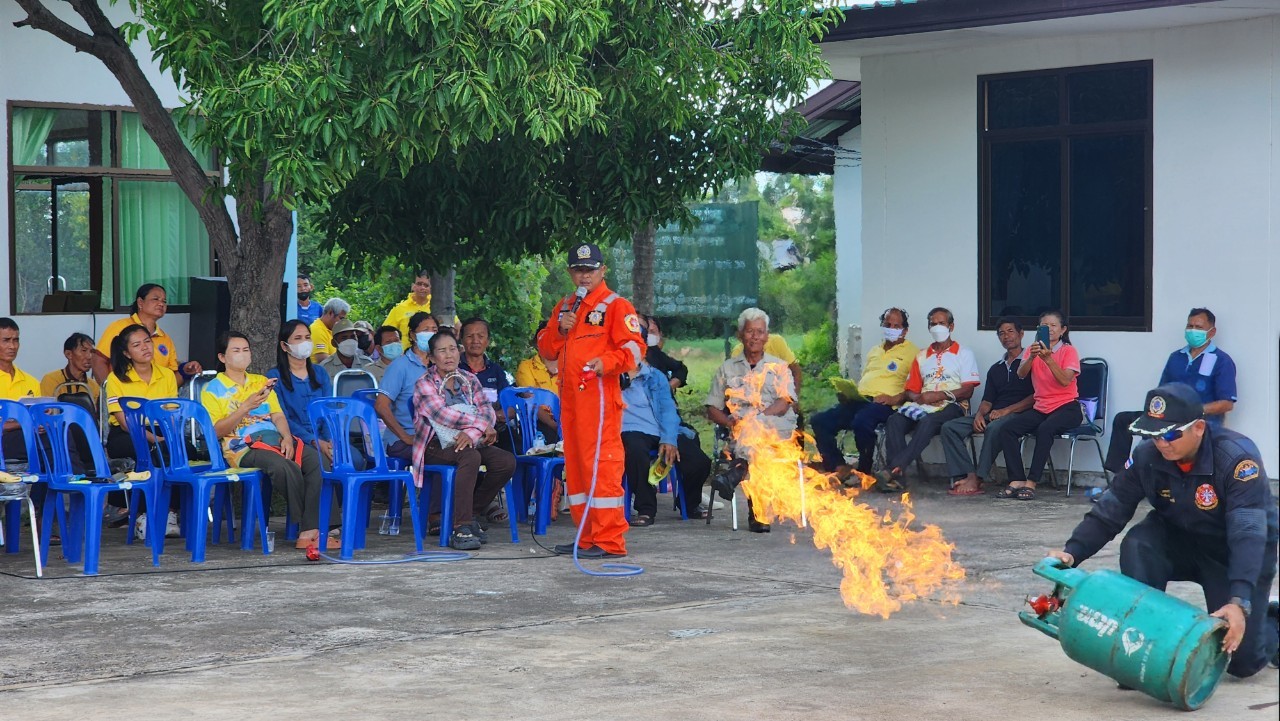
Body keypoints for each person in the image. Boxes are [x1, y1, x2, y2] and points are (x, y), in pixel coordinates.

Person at [1048, 383, 1277, 680]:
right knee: (1139, 542)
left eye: (1170, 434)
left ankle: (1272, 621)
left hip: (1232, 553)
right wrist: (1071, 553)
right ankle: (1141, 641)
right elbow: (1111, 509)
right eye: (1154, 434)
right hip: (1180, 541)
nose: (1162, 444)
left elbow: (1248, 534)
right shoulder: (1146, 457)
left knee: (1240, 662)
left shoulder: (1236, 458)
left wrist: (1239, 601)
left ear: (1198, 428)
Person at [537, 242, 645, 558]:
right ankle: (586, 538)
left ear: (602, 271)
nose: (585, 276)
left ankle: (609, 541)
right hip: (569, 402)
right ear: (571, 272)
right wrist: (559, 328)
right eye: (579, 270)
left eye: (591, 269)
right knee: (579, 470)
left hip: (599, 400)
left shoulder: (616, 306)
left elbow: (636, 349)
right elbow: (546, 349)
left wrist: (606, 363)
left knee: (602, 467)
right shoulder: (566, 305)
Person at [202, 331, 335, 551]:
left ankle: (309, 532)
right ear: (222, 357)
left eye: (246, 350)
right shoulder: (212, 389)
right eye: (236, 350)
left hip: (275, 439)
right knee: (282, 466)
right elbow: (216, 431)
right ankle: (313, 528)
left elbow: (278, 415)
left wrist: (287, 439)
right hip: (243, 447)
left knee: (318, 462)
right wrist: (245, 407)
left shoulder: (260, 381)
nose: (243, 355)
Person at [410, 331, 517, 550]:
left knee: (505, 462)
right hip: (434, 445)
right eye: (441, 351)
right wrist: (479, 426)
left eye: (452, 349)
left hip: (470, 440)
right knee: (470, 456)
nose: (448, 355)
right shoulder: (424, 383)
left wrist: (474, 433)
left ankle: (471, 512)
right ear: (431, 357)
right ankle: (461, 527)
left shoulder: (469, 379)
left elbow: (487, 410)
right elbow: (441, 414)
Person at [1104, 308, 1238, 474]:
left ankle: (1141, 477)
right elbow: (1161, 391)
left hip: (1197, 420)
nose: (1193, 331)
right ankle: (1118, 477)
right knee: (1124, 419)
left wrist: (1195, 409)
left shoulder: (1222, 361)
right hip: (1167, 417)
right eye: (1190, 326)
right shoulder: (1176, 357)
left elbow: (1227, 404)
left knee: (1156, 434)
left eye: (1198, 327)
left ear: (1212, 332)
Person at [705, 308, 797, 533]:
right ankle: (758, 513)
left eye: (759, 332)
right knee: (756, 448)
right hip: (741, 431)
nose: (754, 337)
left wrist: (758, 419)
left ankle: (735, 473)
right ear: (740, 335)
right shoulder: (727, 368)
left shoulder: (780, 367)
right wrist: (730, 423)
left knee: (755, 430)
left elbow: (784, 402)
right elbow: (711, 407)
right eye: (749, 332)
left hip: (777, 426)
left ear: (767, 336)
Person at [874, 307, 981, 493]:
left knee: (928, 421)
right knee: (895, 420)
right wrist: (919, 398)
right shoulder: (922, 356)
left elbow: (968, 390)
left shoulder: (964, 353)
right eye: (933, 324)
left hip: (953, 405)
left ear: (951, 326)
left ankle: (894, 468)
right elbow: (911, 390)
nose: (937, 327)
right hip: (923, 405)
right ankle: (898, 479)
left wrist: (940, 395)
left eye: (941, 323)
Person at [811, 307, 917, 480]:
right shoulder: (875, 350)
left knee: (862, 421)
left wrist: (894, 398)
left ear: (905, 331)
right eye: (887, 324)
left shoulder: (913, 353)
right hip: (860, 400)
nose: (891, 328)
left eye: (896, 326)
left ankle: (864, 471)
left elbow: (915, 388)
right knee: (819, 421)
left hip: (885, 405)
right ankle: (839, 466)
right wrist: (848, 394)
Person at [622, 328, 712, 526]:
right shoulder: (611, 376)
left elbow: (668, 411)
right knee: (635, 450)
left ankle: (688, 503)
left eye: (634, 342)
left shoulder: (655, 377)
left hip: (661, 429)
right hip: (630, 430)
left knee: (700, 462)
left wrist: (669, 438)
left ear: (643, 347)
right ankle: (646, 509)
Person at [939, 317, 1035, 495]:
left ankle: (979, 478)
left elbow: (1035, 398)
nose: (1006, 336)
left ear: (1021, 334)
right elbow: (987, 400)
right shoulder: (996, 368)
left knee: (995, 428)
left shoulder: (1032, 363)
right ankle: (967, 473)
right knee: (949, 427)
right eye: (1001, 333)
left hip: (1020, 414)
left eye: (1010, 331)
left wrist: (1006, 411)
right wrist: (978, 415)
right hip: (993, 413)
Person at [102, 323, 181, 538]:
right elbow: (125, 421)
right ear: (127, 353)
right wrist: (155, 439)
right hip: (128, 433)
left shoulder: (167, 375)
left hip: (161, 430)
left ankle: (171, 512)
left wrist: (167, 437)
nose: (145, 347)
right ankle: (143, 515)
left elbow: (172, 414)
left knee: (185, 452)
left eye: (147, 341)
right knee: (151, 452)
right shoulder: (117, 379)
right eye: (137, 345)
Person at [993, 309, 1081, 500]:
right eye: (1044, 326)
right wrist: (1032, 357)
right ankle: (1016, 479)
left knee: (1045, 429)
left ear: (1063, 330)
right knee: (1008, 429)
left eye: (1053, 325)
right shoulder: (1031, 349)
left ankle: (1032, 482)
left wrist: (1048, 358)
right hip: (1042, 407)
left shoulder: (1068, 351)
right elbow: (1021, 374)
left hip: (1067, 407)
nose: (1048, 329)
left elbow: (1065, 381)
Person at [94, 283, 202, 383]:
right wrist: (108, 391)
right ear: (140, 302)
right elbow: (98, 360)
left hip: (155, 401)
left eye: (164, 301)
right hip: (122, 398)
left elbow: (170, 379)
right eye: (155, 299)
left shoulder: (165, 339)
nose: (161, 303)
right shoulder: (119, 327)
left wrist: (185, 372)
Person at [265, 320, 335, 465]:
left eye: (307, 337)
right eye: (298, 338)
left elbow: (329, 410)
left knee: (356, 460)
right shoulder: (274, 376)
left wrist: (330, 440)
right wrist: (315, 442)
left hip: (325, 438)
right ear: (284, 346)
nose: (304, 342)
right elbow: (282, 417)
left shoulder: (320, 372)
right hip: (296, 439)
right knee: (323, 464)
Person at [377, 312, 436, 466]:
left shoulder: (441, 366)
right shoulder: (400, 366)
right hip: (404, 440)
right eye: (425, 330)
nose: (430, 334)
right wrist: (404, 437)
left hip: (436, 438)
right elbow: (381, 406)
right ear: (412, 335)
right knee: (452, 456)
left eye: (434, 330)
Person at [383, 272, 458, 348]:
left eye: (426, 285)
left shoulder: (438, 307)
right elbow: (385, 333)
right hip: (406, 355)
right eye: (419, 284)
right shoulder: (399, 309)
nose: (422, 288)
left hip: (435, 354)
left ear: (431, 288)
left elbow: (457, 327)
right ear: (413, 286)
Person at [514, 322, 560, 443]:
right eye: (546, 339)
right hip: (538, 424)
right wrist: (556, 426)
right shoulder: (526, 367)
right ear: (537, 343)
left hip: (567, 421)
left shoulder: (570, 366)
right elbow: (532, 403)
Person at [40, 332, 101, 404]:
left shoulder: (94, 386)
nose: (89, 356)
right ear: (69, 354)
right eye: (84, 350)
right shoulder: (51, 380)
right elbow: (46, 411)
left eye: (92, 352)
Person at [642, 315, 689, 391]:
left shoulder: (655, 353)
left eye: (652, 332)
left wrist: (668, 387)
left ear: (660, 334)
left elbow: (681, 369)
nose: (648, 335)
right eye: (645, 331)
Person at [308, 297, 350, 363]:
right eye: (341, 318)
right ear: (330, 313)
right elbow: (323, 359)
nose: (342, 322)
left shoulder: (331, 329)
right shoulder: (316, 330)